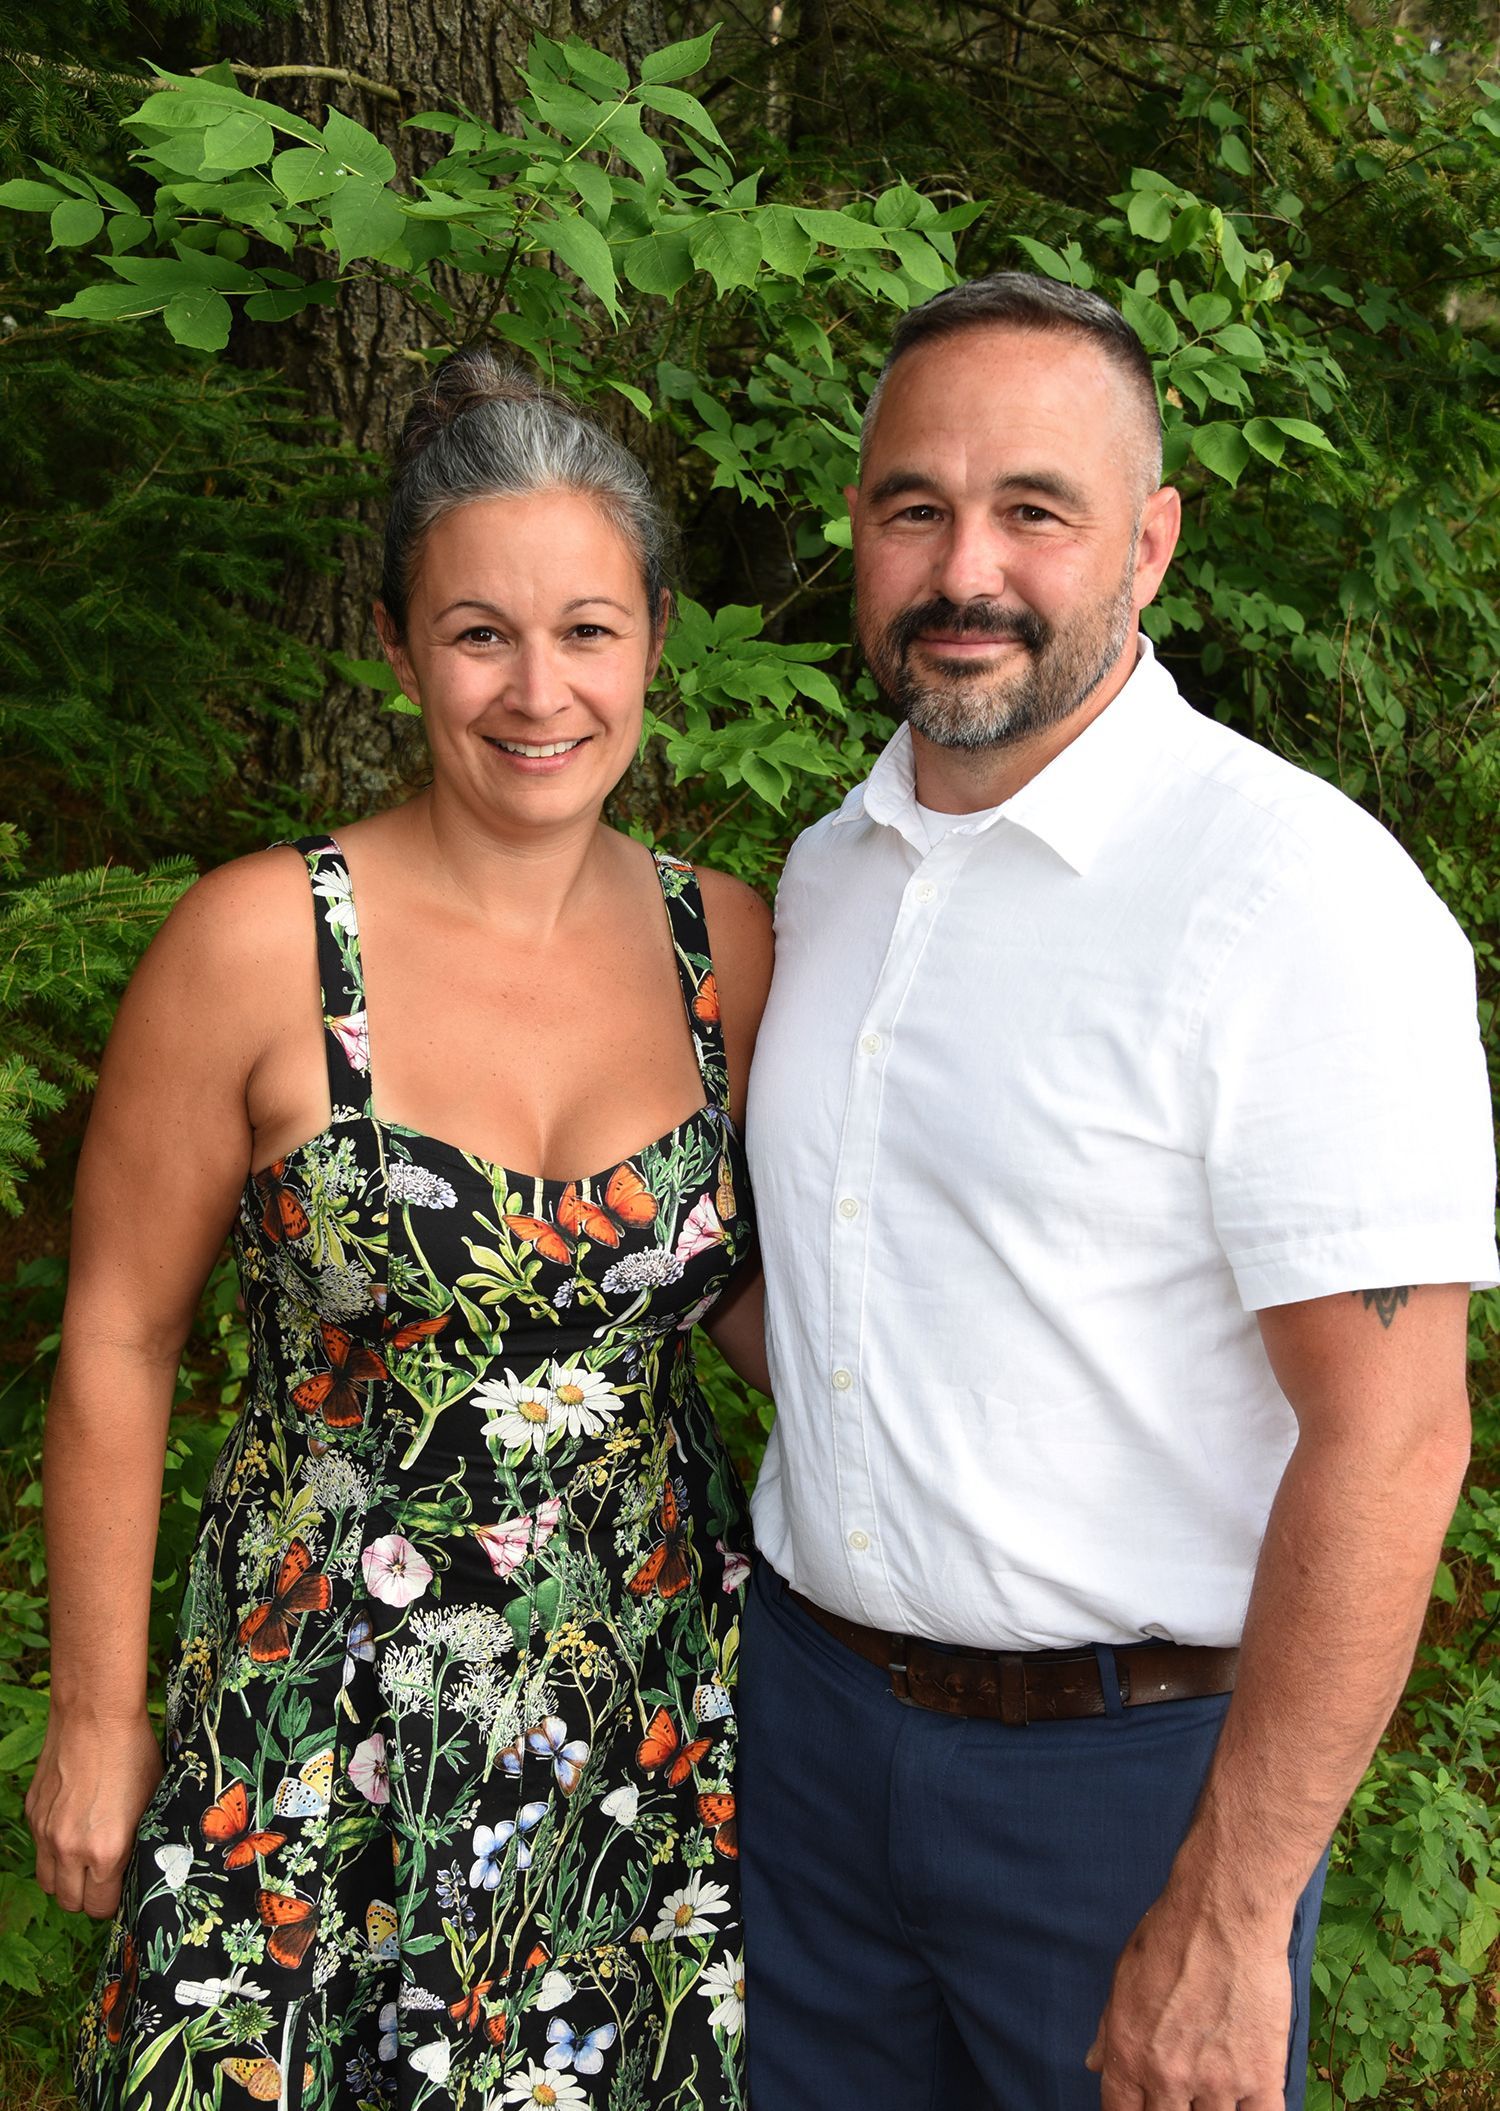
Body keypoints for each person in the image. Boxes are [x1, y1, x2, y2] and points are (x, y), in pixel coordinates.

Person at [740, 273, 1497, 2111]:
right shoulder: (828, 876)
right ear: (859, 532)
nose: (963, 568)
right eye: (914, 506)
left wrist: (1232, 1924)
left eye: (1035, 511)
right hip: (810, 1743)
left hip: (1124, 1786)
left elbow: (1393, 1442)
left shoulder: (1293, 898)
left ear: (1150, 544)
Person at [28, 351, 772, 2111]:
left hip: (643, 1713)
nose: (540, 691)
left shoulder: (731, 947)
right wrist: (95, 1713)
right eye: (479, 634)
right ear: (396, 646)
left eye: (588, 631)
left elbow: (780, 1313)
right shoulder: (258, 944)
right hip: (315, 1705)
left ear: (655, 642)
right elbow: (120, 1343)